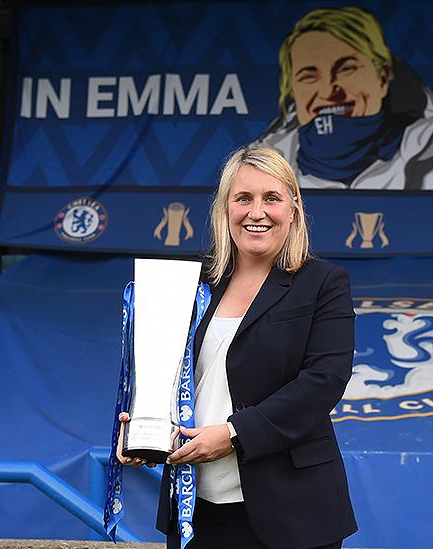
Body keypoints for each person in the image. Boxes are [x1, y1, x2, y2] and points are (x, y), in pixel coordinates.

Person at [117, 145, 358, 548]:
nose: (256, 212)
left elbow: (323, 381)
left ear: (294, 207)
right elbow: (166, 375)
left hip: (293, 511)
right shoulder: (195, 285)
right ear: (225, 208)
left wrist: (233, 434)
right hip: (196, 508)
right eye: (243, 198)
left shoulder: (323, 283)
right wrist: (146, 432)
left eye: (272, 198)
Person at [257, 6, 433, 190]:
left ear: (383, 77)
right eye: (309, 76)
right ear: (293, 92)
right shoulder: (255, 182)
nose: (329, 91)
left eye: (346, 69)